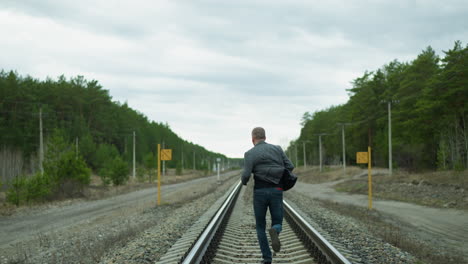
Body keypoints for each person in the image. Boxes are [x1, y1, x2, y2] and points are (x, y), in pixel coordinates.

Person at [241, 127, 294, 264]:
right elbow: (290, 166)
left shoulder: (250, 153)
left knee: (260, 226)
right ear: (265, 137)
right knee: (277, 222)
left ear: (253, 139)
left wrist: (244, 182)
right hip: (276, 190)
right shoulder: (277, 149)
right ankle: (275, 230)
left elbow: (246, 174)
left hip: (260, 192)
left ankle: (267, 258)